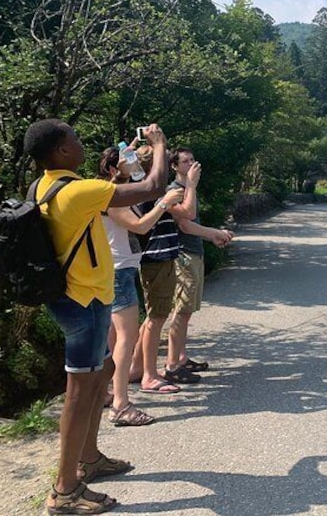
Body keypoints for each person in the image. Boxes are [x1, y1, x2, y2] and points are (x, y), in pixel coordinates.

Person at [23, 119, 169, 514]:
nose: (80, 142)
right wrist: (159, 146)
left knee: (101, 371)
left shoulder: (46, 186)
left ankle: (89, 459)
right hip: (83, 300)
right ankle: (65, 490)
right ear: (60, 151)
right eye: (74, 139)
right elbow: (153, 187)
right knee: (80, 390)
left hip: (81, 296)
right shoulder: (80, 191)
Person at [97, 147, 184, 426]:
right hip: (118, 271)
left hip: (114, 269)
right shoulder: (111, 198)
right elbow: (140, 226)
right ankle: (121, 404)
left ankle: (105, 392)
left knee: (110, 338)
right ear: (114, 169)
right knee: (126, 338)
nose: (137, 172)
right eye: (131, 166)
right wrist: (164, 202)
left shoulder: (110, 192)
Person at [129, 146, 199, 393]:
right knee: (156, 318)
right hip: (156, 258)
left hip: (160, 256)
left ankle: (138, 369)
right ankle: (149, 375)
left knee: (154, 317)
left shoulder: (151, 190)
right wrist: (190, 184)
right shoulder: (154, 192)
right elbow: (188, 214)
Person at [164, 147, 233, 383]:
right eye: (185, 161)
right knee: (181, 311)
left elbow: (192, 224)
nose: (192, 164)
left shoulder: (187, 189)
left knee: (188, 311)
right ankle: (172, 364)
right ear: (174, 166)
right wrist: (214, 232)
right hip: (183, 255)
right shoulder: (174, 190)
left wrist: (211, 237)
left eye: (193, 159)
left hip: (195, 252)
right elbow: (186, 223)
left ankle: (181, 358)